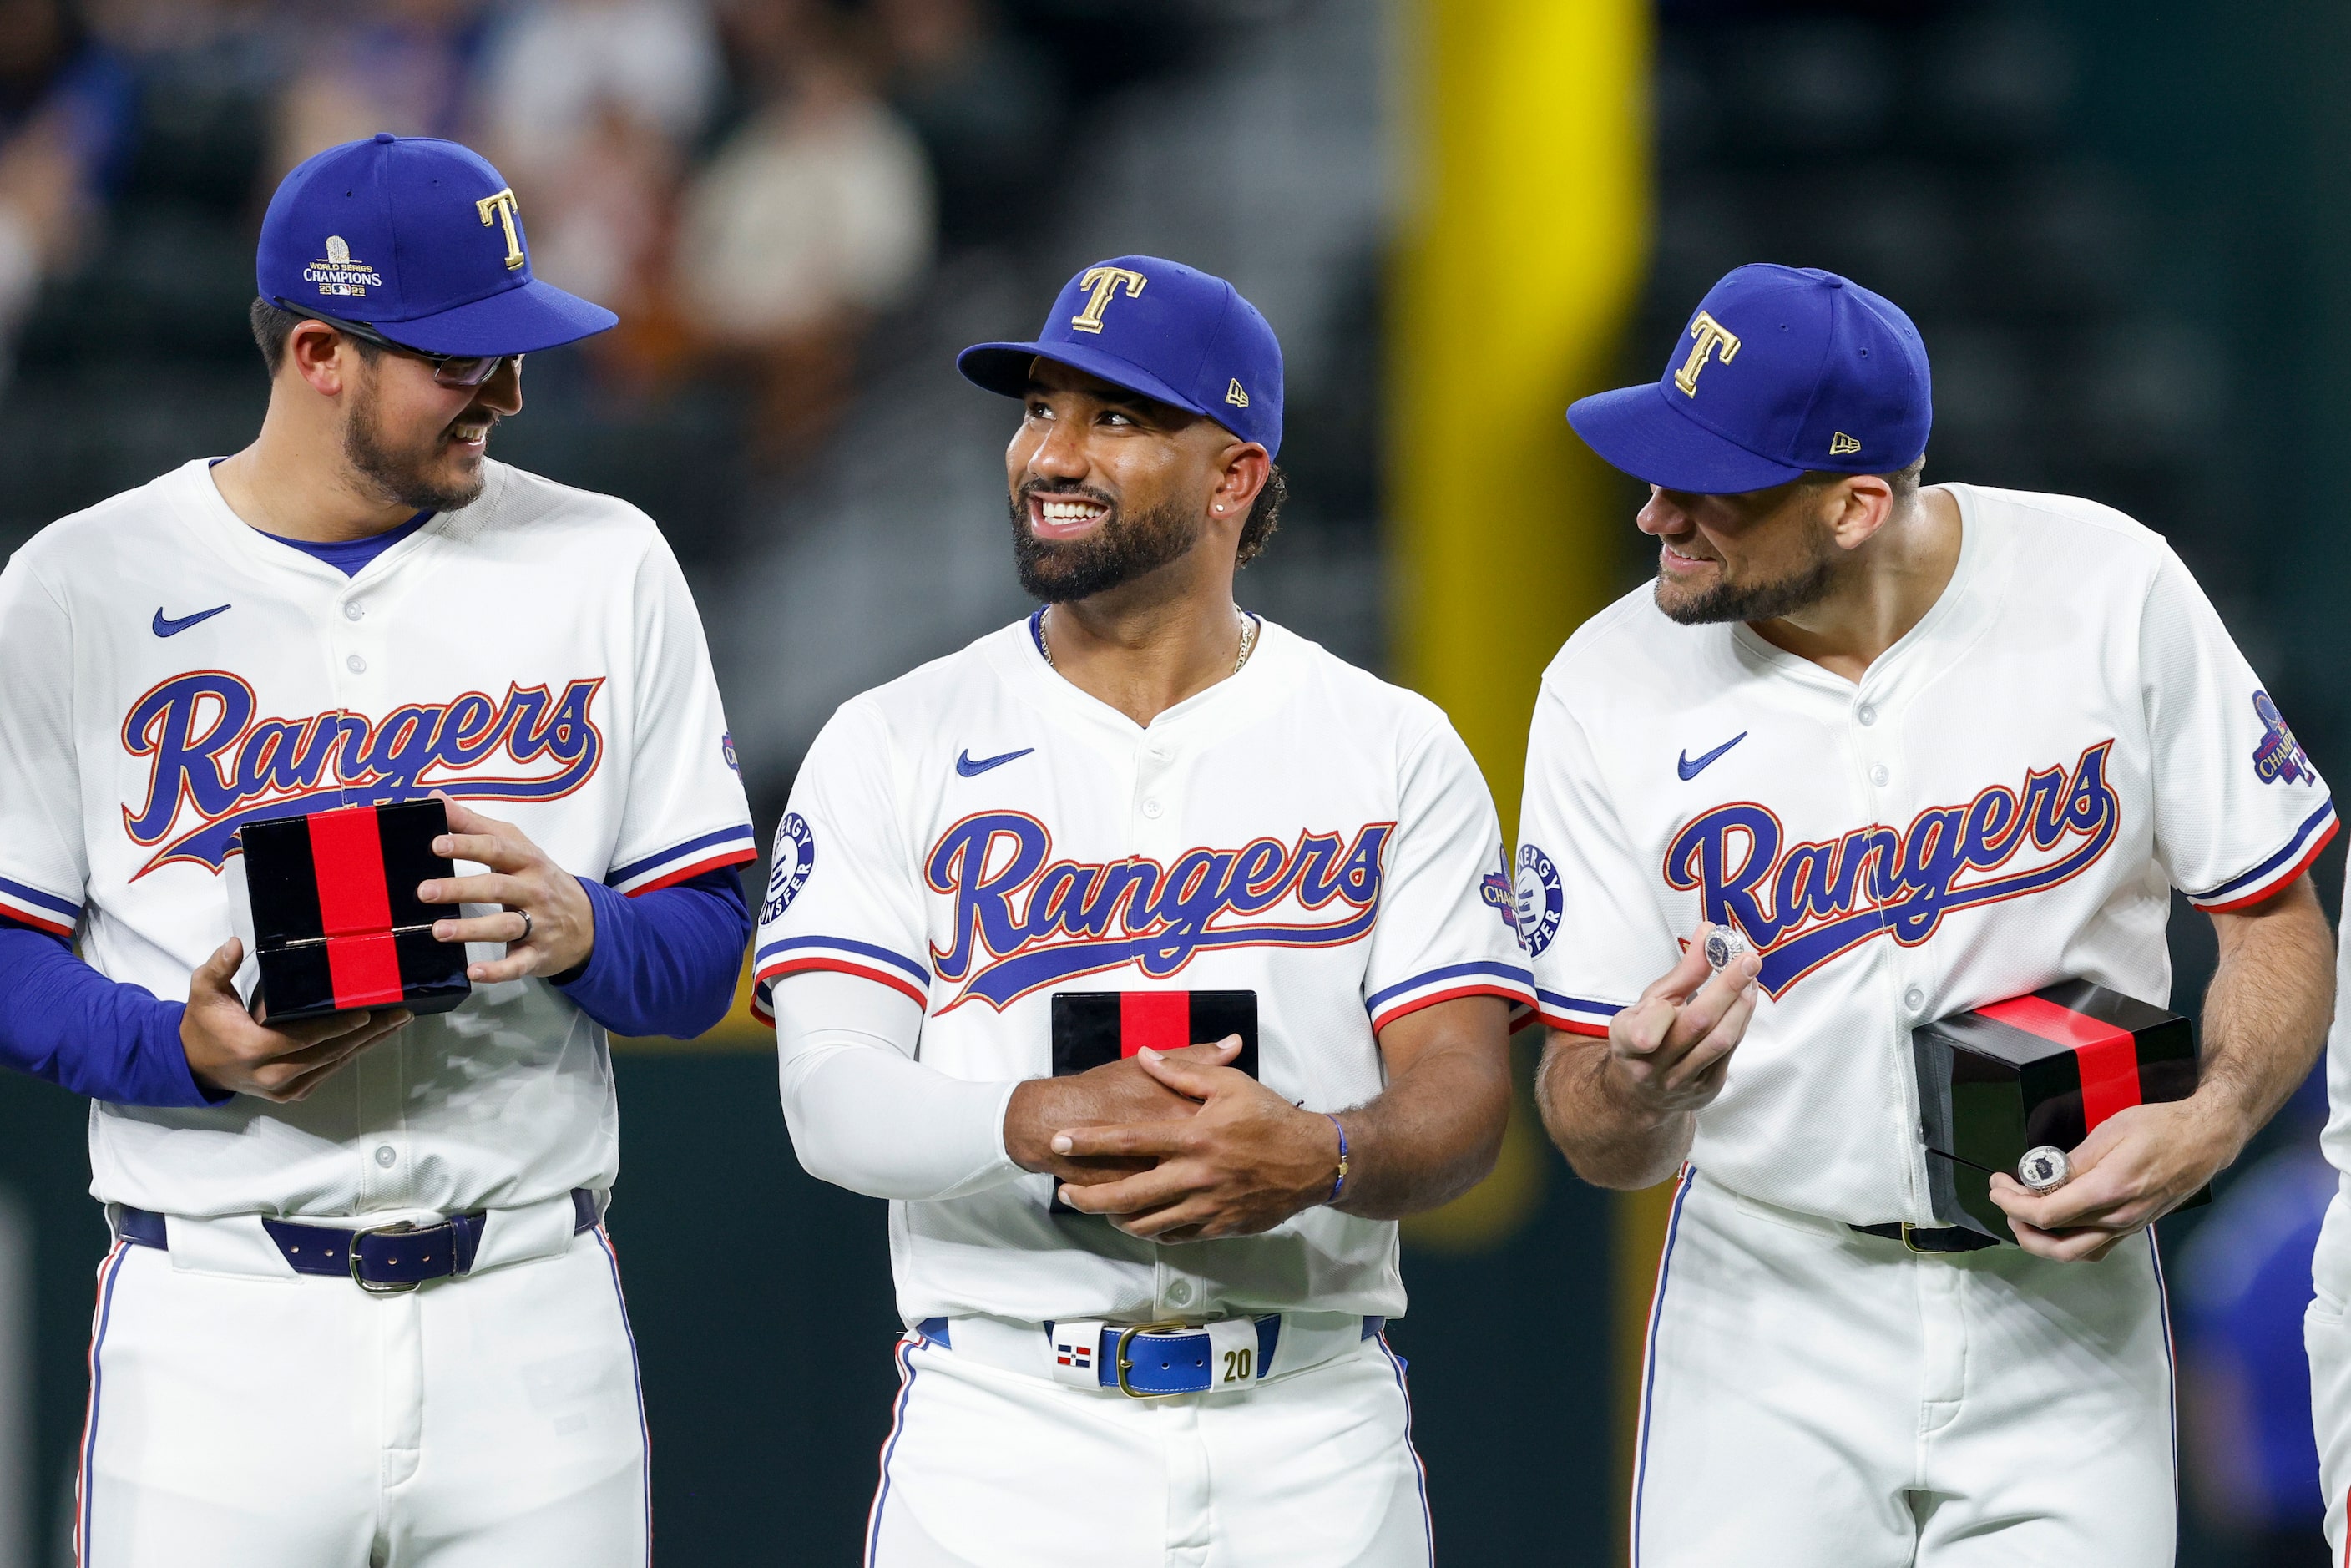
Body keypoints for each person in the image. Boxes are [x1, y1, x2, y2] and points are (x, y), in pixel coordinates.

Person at [0, 134, 756, 1565]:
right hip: (218, 1328)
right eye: (462, 359)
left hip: (531, 1321)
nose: (511, 392)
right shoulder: (76, 586)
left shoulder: (607, 561)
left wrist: (587, 929)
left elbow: (708, 938)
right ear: (319, 352)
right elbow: (8, 951)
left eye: (514, 351)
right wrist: (185, 1045)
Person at [1519, 262, 2337, 1565]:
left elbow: (2274, 914)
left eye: (1705, 482)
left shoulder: (2109, 586)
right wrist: (1641, 1089)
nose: (1654, 510)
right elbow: (1590, 1126)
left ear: (1853, 504)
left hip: (2063, 1310)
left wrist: (2216, 1118)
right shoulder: (1601, 685)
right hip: (1768, 1315)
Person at [754, 255, 1561, 1565]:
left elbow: (1465, 1102)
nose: (1051, 454)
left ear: (1234, 477)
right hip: (1004, 1429)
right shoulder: (890, 738)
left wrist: (1324, 1154)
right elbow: (830, 1099)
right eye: (1037, 410)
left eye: (1115, 419)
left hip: (1312, 1435)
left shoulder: (1391, 744)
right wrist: (1043, 1113)